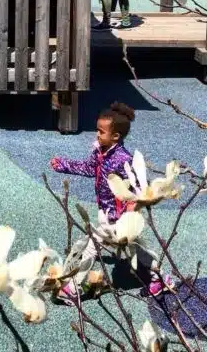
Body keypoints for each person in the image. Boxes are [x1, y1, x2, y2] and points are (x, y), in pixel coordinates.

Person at [49, 102, 171, 299]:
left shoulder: (123, 159)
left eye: (101, 131)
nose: (97, 134)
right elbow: (88, 168)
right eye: (97, 130)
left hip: (119, 215)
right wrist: (63, 164)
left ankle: (72, 288)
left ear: (116, 136)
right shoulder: (100, 152)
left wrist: (133, 206)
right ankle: (161, 277)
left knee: (93, 245)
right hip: (106, 211)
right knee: (135, 248)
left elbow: (138, 183)